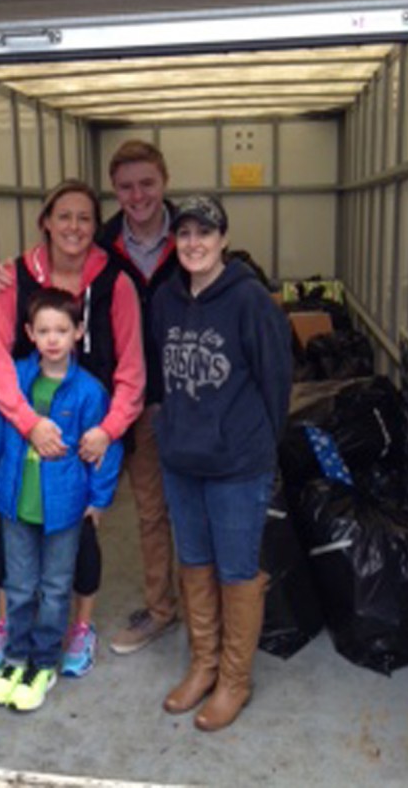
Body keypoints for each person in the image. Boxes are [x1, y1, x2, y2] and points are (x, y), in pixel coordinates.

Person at [0, 179, 144, 678]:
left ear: (98, 228)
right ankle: (13, 628)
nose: (74, 226)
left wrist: (108, 431)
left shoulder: (117, 280)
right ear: (45, 222)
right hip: (22, 424)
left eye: (85, 218)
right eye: (64, 216)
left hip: (92, 425)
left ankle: (79, 628)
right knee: (18, 538)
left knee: (82, 536)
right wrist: (27, 426)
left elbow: (132, 370)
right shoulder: (13, 277)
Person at [151, 194, 292, 732]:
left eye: (204, 233)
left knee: (236, 571)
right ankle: (203, 665)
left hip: (237, 464)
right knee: (195, 563)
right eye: (184, 234)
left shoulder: (251, 301)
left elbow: (277, 380)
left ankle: (235, 679)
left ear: (223, 239)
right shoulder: (165, 300)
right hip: (181, 460)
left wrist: (257, 444)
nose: (193, 243)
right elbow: (161, 376)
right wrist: (167, 428)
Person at [0, 288, 123, 712]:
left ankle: (43, 663)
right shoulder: (15, 380)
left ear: (78, 332)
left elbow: (106, 448)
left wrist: (99, 498)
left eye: (62, 329)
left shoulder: (90, 392)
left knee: (56, 588)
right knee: (20, 586)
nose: (53, 338)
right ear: (29, 334)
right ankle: (15, 658)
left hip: (65, 507)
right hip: (16, 503)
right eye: (43, 330)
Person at [98, 141, 181, 655]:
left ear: (165, 180)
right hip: (138, 404)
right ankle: (161, 610)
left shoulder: (193, 233)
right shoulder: (102, 247)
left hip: (195, 404)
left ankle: (208, 613)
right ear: (115, 190)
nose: (138, 195)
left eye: (147, 183)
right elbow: (54, 281)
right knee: (151, 512)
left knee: (199, 511)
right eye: (126, 186)